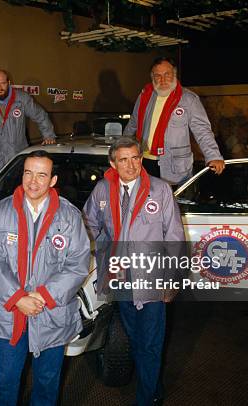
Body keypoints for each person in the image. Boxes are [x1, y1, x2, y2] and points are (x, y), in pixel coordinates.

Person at [0, 150, 90, 406]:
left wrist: (43, 296)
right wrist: (18, 298)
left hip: (51, 313)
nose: (33, 181)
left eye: (42, 175)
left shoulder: (70, 216)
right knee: (5, 381)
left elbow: (78, 264)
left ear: (52, 180)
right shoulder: (0, 212)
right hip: (11, 314)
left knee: (46, 383)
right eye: (28, 173)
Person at [83, 137, 185, 406]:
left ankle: (146, 399)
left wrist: (172, 279)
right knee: (137, 340)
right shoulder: (103, 190)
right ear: (113, 163)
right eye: (124, 159)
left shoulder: (160, 190)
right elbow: (89, 226)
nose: (131, 165)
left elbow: (174, 236)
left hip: (151, 277)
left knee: (151, 342)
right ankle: (153, 387)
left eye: (135, 158)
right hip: (120, 277)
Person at [123, 56, 225, 185]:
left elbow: (202, 130)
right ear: (152, 77)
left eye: (167, 74)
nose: (163, 80)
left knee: (173, 203)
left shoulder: (189, 99)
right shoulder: (145, 95)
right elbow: (133, 123)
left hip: (173, 167)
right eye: (157, 76)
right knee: (146, 202)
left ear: (175, 74)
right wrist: (122, 147)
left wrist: (214, 156)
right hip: (144, 162)